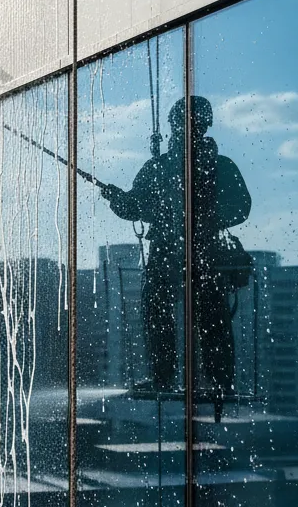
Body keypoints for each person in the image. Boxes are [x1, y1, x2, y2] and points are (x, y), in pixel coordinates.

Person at [101, 97, 251, 404]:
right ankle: (205, 379)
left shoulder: (178, 166)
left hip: (189, 252)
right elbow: (136, 205)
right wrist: (120, 200)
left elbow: (241, 207)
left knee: (187, 313)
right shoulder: (203, 166)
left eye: (182, 125)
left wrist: (197, 217)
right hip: (193, 252)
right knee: (192, 313)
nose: (179, 131)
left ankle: (184, 377)